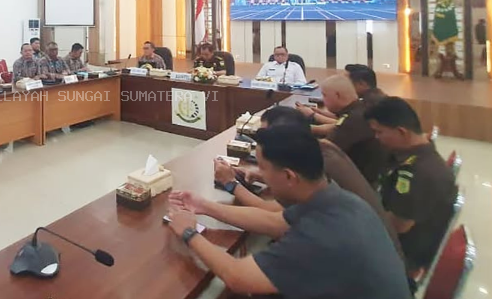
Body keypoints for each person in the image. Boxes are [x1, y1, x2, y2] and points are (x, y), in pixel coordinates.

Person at [168, 126, 411, 299]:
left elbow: (237, 276)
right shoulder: (338, 198)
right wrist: (203, 206)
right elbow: (273, 221)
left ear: (288, 176)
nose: (260, 174)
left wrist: (189, 233)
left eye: (263, 168)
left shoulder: (322, 235)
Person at [215, 106, 403, 257]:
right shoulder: (321, 149)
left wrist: (231, 184)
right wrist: (260, 175)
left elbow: (272, 217)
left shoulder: (322, 167)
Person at [366, 97, 457, 276]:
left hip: (401, 257)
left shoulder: (419, 172)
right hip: (400, 243)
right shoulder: (416, 154)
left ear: (402, 132)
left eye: (379, 132)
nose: (376, 138)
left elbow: (398, 225)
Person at [303, 75, 390, 186]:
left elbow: (325, 150)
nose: (323, 99)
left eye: (324, 95)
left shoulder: (353, 120)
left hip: (363, 183)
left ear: (338, 95)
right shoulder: (359, 109)